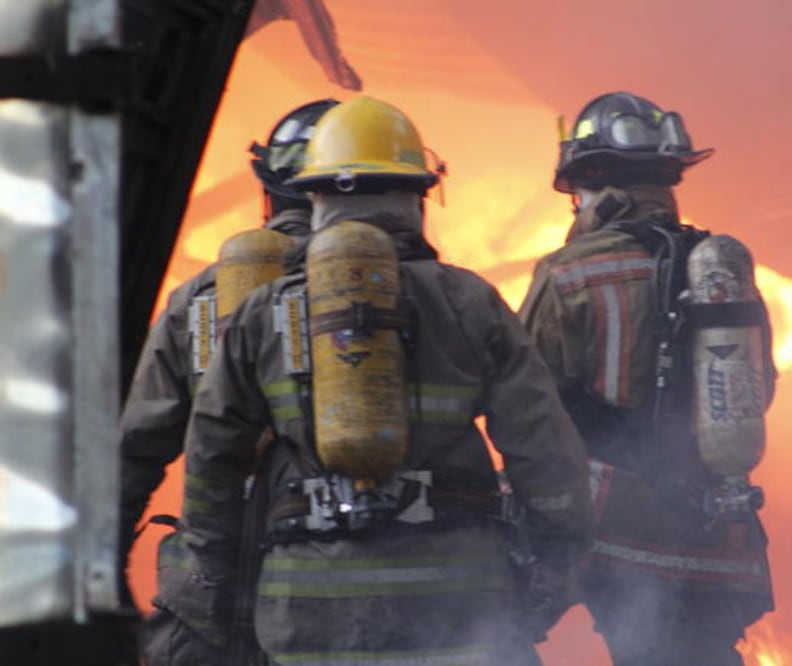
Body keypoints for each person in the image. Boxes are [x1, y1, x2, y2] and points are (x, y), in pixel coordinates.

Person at [177, 96, 593, 666]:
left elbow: (212, 453)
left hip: (310, 617)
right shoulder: (470, 301)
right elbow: (544, 447)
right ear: (418, 198)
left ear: (315, 197)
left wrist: (220, 571)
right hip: (457, 609)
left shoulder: (263, 311)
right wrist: (556, 558)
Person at [520, 91, 778, 666]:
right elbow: (761, 386)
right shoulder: (722, 274)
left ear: (592, 184)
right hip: (719, 529)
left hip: (617, 532)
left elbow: (530, 404)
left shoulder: (568, 273)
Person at [117, 98, 337, 663]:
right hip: (343, 589)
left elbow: (135, 447)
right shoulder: (397, 294)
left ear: (271, 188)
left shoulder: (197, 300)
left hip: (208, 595)